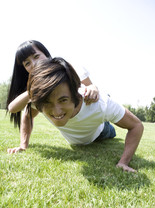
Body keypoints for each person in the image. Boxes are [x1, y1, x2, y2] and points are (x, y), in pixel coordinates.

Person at [13, 57, 143, 173]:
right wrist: (23, 145)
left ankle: (106, 124)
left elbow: (136, 125)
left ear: (76, 94)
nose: (56, 111)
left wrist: (123, 162)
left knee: (110, 132)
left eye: (63, 100)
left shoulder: (100, 105)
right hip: (78, 139)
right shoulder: (39, 101)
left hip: (101, 133)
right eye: (48, 103)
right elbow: (25, 113)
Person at [6, 40, 99, 128]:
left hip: (97, 124)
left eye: (36, 56)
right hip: (75, 136)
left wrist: (93, 88)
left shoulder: (68, 70)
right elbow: (17, 110)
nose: (34, 64)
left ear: (47, 55)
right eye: (27, 63)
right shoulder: (36, 93)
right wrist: (23, 144)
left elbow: (90, 87)